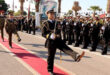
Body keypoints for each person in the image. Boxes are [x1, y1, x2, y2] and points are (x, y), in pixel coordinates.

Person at [42, 9, 85, 75]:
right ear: (47, 14)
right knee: (51, 56)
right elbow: (43, 34)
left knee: (66, 48)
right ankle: (50, 70)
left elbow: (59, 31)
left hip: (58, 40)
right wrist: (49, 35)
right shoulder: (45, 23)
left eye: (53, 14)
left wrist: (58, 35)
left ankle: (76, 56)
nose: (52, 15)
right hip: (51, 42)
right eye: (51, 13)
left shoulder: (57, 22)